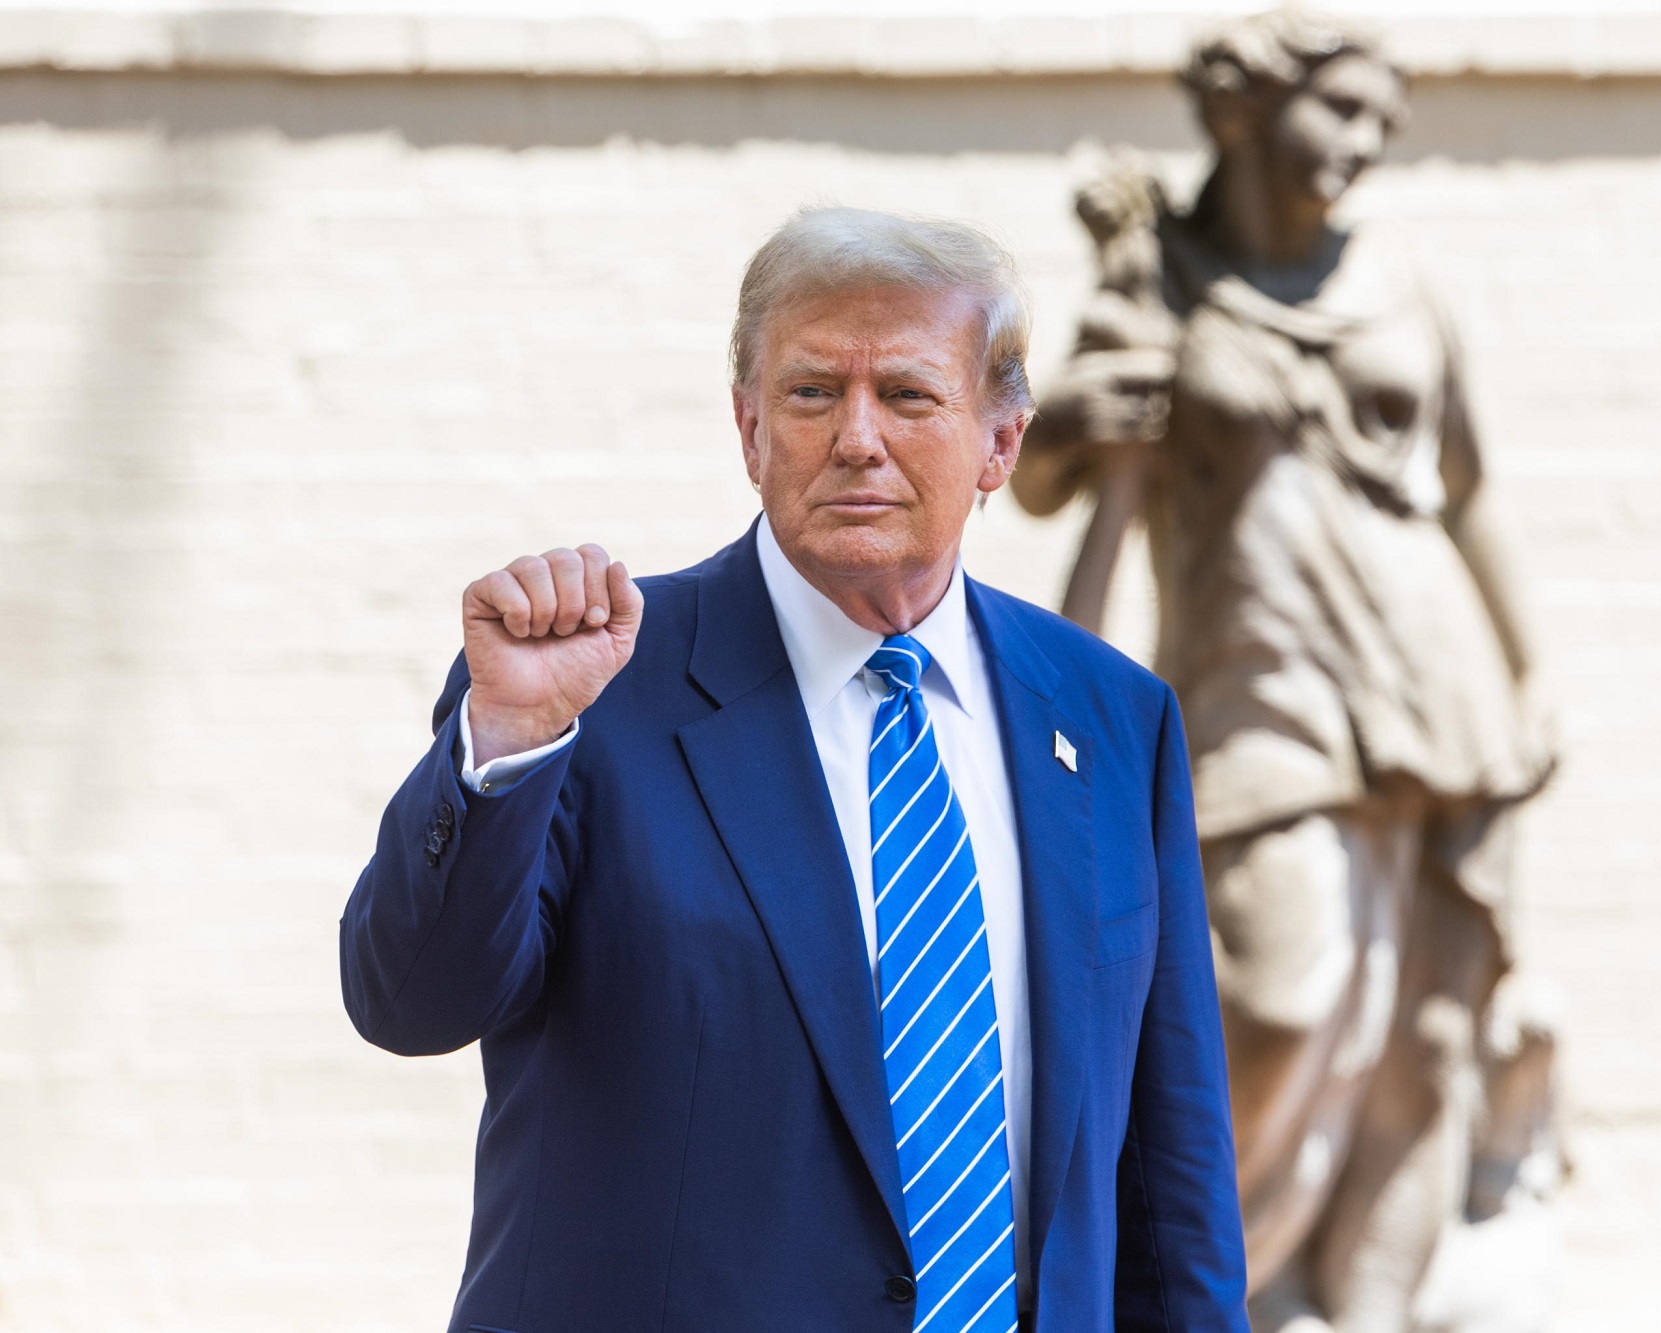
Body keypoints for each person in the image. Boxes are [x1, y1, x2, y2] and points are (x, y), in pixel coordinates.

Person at [340, 208, 1250, 1333]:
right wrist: (507, 742)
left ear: (999, 445)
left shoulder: (1111, 718)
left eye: (908, 395)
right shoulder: (590, 687)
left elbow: (1169, 1192)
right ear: (749, 429)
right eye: (814, 393)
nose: (856, 437)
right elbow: (410, 1000)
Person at [1011, 12, 1560, 1333]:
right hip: (1254, 683)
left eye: (1385, 123)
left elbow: (1467, 494)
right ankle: (1185, 1290)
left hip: (1432, 689)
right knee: (1274, 993)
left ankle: (1359, 1305)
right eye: (1343, 111)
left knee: (1421, 1040)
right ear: (1248, 112)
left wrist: (1530, 668)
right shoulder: (1159, 279)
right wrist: (1083, 412)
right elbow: (1036, 480)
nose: (1364, 147)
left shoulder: (1403, 288)